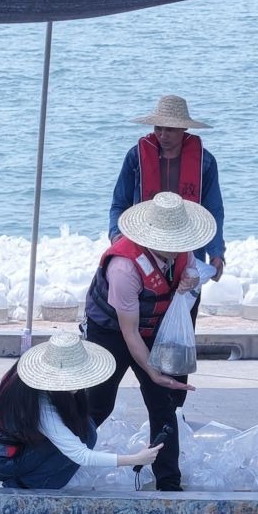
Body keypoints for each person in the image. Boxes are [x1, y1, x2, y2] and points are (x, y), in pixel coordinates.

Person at [83, 192, 215, 493]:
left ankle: (168, 481)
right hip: (112, 331)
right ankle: (59, 458)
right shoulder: (124, 267)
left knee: (164, 404)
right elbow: (129, 333)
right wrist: (153, 372)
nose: (178, 248)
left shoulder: (182, 251)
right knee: (99, 403)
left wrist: (191, 279)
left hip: (153, 326)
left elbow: (192, 272)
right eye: (172, 242)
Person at [0, 333, 164, 490]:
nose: (79, 384)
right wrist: (135, 459)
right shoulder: (41, 405)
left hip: (12, 440)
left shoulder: (33, 376)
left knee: (87, 431)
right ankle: (23, 486)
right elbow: (81, 455)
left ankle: (35, 475)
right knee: (74, 446)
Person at [107, 95, 226, 281]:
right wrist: (116, 235)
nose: (163, 135)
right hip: (145, 248)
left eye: (170, 129)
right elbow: (119, 204)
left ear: (184, 128)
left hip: (189, 250)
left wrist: (216, 253)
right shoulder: (136, 157)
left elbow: (213, 211)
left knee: (186, 298)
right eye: (158, 128)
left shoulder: (206, 162)